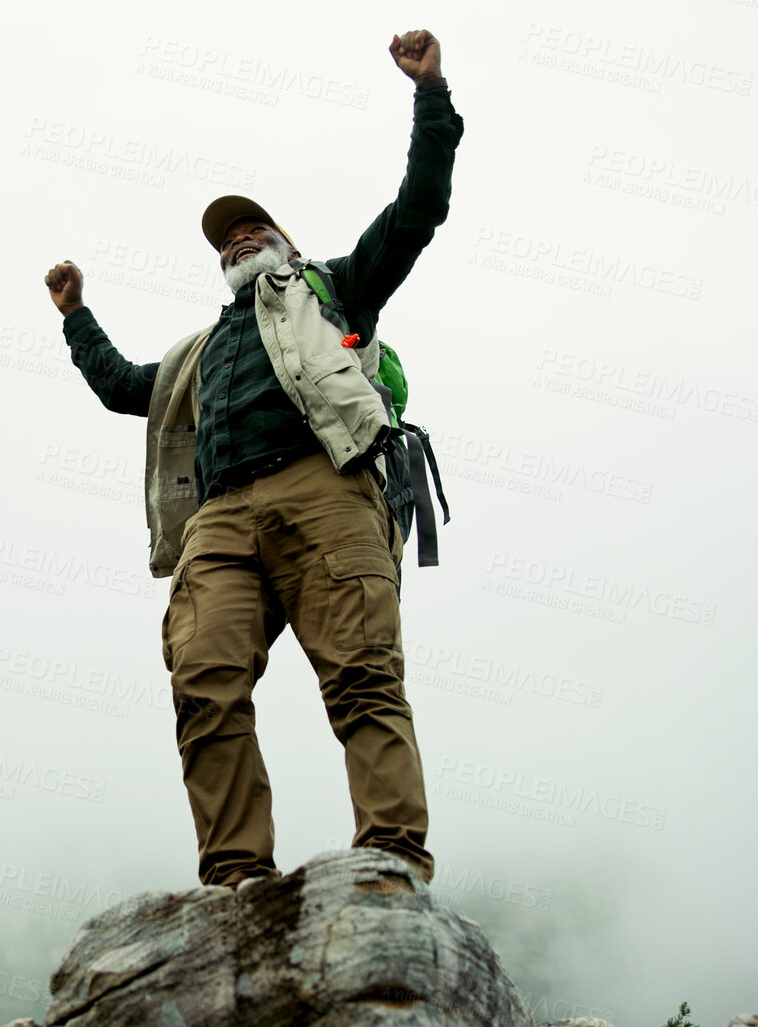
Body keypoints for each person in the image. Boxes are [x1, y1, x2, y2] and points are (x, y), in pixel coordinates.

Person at [40, 30, 463, 890]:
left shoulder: (329, 288)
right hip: (220, 517)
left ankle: (389, 861)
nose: (236, 242)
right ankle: (236, 879)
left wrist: (430, 96)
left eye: (252, 230)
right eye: (225, 241)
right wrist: (74, 315)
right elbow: (126, 387)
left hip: (326, 485)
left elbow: (416, 209)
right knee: (201, 683)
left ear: (285, 245)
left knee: (360, 675)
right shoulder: (198, 352)